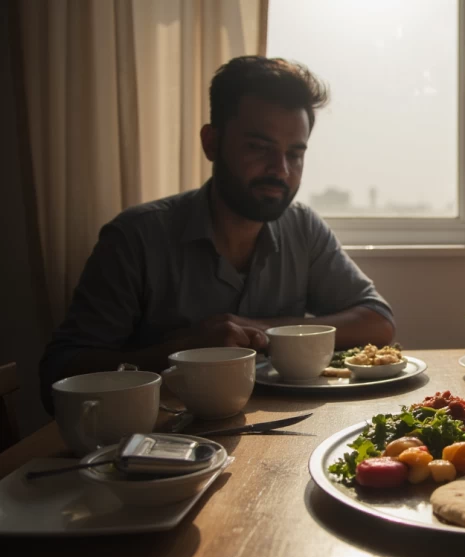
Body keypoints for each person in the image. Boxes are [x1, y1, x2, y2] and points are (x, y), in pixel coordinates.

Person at [40, 56, 395, 412]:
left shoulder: (302, 227)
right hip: (159, 445)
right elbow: (59, 375)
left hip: (279, 439)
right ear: (211, 143)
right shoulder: (135, 237)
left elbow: (378, 322)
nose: (280, 170)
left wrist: (260, 328)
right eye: (259, 148)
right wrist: (184, 353)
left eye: (295, 154)